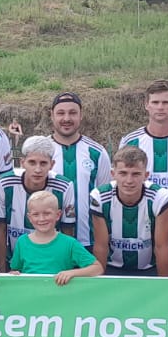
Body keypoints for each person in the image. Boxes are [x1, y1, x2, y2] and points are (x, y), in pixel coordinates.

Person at [0, 136, 73, 274]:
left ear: (52, 164)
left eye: (43, 163)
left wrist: (65, 268)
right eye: (32, 162)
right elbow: (0, 227)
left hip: (51, 262)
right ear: (22, 162)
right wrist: (2, 271)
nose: (38, 169)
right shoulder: (4, 183)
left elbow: (67, 230)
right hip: (14, 261)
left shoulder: (64, 186)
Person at [91, 146, 168, 277]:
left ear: (146, 175)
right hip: (113, 267)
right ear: (113, 174)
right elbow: (101, 246)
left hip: (148, 269)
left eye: (136, 174)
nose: (129, 181)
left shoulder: (160, 198)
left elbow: (161, 247)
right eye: (123, 173)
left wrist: (163, 285)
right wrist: (100, 281)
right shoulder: (99, 197)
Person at [45, 92, 110, 249]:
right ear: (52, 116)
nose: (66, 118)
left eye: (73, 113)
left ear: (81, 115)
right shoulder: (41, 150)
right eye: (61, 113)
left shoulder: (97, 152)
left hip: (89, 241)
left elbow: (106, 198)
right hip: (48, 241)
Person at [8, 190, 103, 284]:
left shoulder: (69, 243)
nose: (41, 219)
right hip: (30, 292)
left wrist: (72, 273)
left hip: (60, 292)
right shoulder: (22, 242)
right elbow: (15, 270)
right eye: (36, 214)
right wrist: (13, 274)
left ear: (58, 215)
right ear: (29, 218)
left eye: (47, 213)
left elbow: (97, 268)